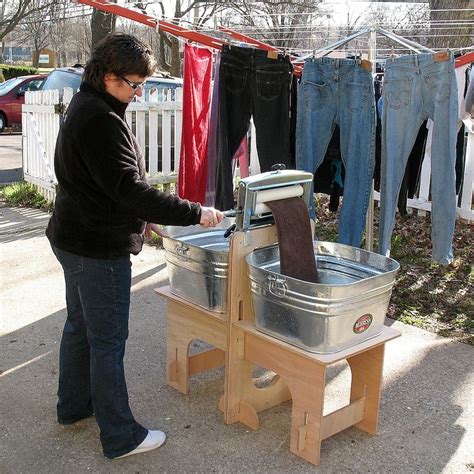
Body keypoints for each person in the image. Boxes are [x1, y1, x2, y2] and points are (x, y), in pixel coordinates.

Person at [46, 33, 224, 459]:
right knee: (107, 340)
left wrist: (143, 222)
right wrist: (193, 213)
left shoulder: (88, 103)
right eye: (134, 83)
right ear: (109, 76)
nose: (139, 91)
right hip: (96, 247)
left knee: (81, 327)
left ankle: (74, 407)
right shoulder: (101, 119)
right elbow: (128, 188)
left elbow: (102, 185)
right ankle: (120, 436)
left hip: (72, 236)